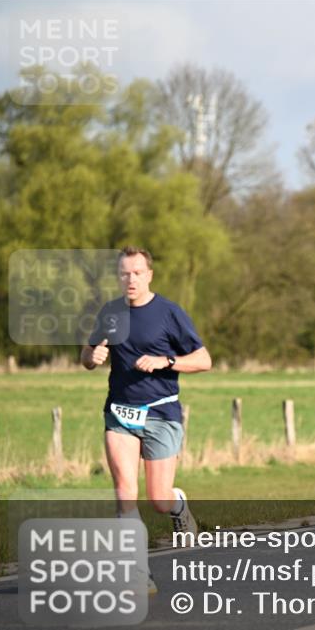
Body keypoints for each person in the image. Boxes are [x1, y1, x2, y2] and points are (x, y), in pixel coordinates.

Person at [82, 247, 212, 588]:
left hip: (161, 413)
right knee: (125, 492)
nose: (131, 279)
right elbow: (88, 353)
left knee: (158, 498)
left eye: (137, 273)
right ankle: (138, 574)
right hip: (120, 413)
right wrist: (91, 355)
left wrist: (165, 361)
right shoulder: (110, 312)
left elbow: (203, 359)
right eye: (125, 273)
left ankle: (178, 505)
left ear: (149, 275)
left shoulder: (169, 313)